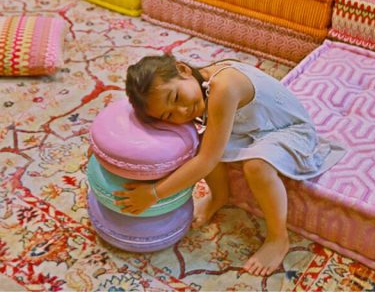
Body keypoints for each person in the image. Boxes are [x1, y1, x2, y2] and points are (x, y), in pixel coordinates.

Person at [114, 55, 346, 276]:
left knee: (256, 166)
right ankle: (219, 196)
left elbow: (207, 161)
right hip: (250, 128)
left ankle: (278, 237)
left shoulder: (225, 86)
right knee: (203, 143)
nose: (182, 112)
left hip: (288, 129)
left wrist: (154, 193)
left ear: (183, 69)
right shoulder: (198, 83)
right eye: (169, 115)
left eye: (175, 98)